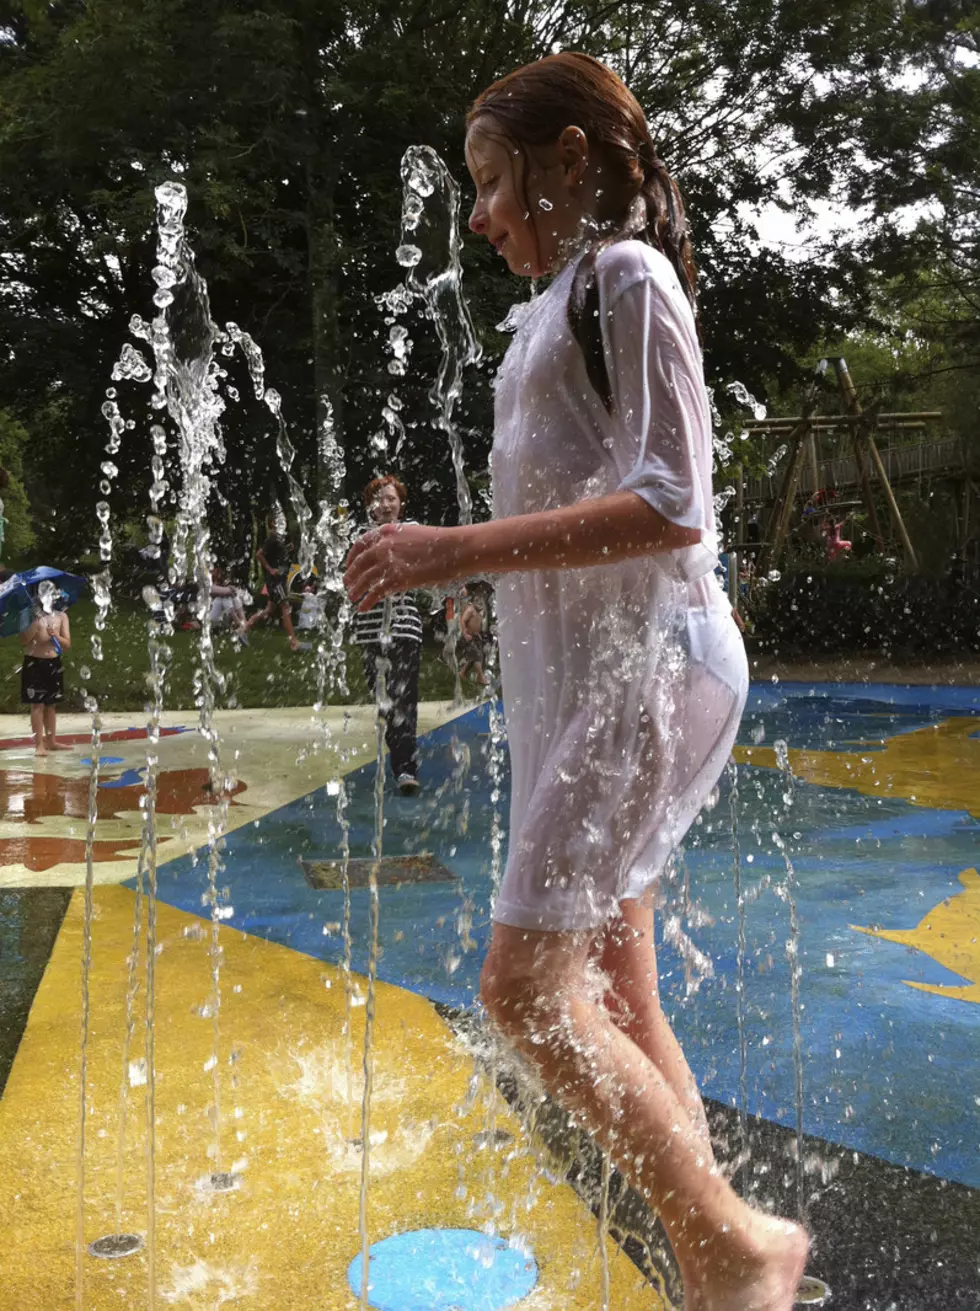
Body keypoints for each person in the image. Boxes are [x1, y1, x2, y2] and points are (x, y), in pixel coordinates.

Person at [344, 52, 809, 1311]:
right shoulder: (547, 313)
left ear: (572, 163)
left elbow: (670, 504)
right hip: (589, 686)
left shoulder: (626, 277)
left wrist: (448, 552)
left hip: (644, 669)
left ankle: (734, 1250)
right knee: (610, 982)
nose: (482, 215)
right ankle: (714, 1252)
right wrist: (461, 564)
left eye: (494, 182)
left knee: (521, 990)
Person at [353, 475, 423, 796]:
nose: (385, 504)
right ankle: (400, 756)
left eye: (391, 498)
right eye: (379, 499)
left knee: (404, 698)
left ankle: (405, 767)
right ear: (370, 506)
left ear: (401, 503)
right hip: (370, 630)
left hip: (405, 628)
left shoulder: (413, 535)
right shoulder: (358, 538)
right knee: (385, 702)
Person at [20, 599, 71, 755]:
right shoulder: (29, 614)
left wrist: (56, 635)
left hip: (53, 662)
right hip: (34, 663)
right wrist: (35, 625)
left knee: (51, 704)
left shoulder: (61, 616)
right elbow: (23, 640)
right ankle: (39, 745)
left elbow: (67, 644)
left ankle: (51, 741)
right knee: (38, 704)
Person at [245, 515, 299, 651]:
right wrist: (270, 569)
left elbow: (276, 556)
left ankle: (245, 628)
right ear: (273, 523)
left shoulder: (279, 538)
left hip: (278, 579)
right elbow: (259, 554)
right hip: (275, 581)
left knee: (269, 610)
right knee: (285, 607)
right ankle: (293, 642)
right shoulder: (272, 538)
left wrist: (288, 548)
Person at [456, 586, 489, 686]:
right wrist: (465, 633)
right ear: (473, 601)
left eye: (481, 602)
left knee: (473, 656)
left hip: (475, 636)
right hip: (468, 636)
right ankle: (481, 677)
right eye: (477, 601)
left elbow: (478, 624)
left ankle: (462, 673)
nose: (480, 603)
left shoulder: (481, 611)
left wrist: (478, 633)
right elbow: (463, 620)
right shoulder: (470, 610)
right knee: (477, 655)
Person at [209, 564, 248, 637]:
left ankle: (242, 623)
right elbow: (227, 592)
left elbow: (231, 592)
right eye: (214, 570)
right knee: (224, 597)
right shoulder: (208, 585)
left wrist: (232, 589)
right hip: (211, 618)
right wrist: (231, 589)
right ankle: (241, 624)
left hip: (222, 617)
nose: (218, 572)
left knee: (228, 597)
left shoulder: (221, 583)